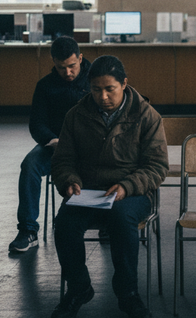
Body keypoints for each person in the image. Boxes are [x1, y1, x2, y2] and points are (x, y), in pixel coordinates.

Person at [50, 55, 168, 318]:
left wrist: (127, 186)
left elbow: (157, 166)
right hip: (88, 191)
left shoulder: (146, 115)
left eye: (109, 89)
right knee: (65, 223)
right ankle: (79, 288)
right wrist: (69, 181)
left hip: (131, 191)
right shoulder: (76, 115)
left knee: (121, 218)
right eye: (95, 89)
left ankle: (128, 294)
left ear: (124, 84)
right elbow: (63, 160)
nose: (102, 97)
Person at [9, 36, 91, 253]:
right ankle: (28, 230)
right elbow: (36, 124)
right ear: (53, 62)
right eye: (61, 67)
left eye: (72, 66)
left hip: (92, 146)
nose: (68, 72)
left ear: (80, 58)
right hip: (56, 146)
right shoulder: (45, 86)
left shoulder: (95, 80)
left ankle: (108, 222)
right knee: (30, 165)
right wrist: (52, 140)